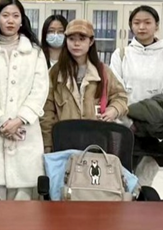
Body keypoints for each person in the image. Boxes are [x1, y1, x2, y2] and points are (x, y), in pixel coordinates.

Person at [0, 0, 48, 201]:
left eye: (15, 16)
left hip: (25, 134)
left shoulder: (34, 52)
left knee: (24, 206)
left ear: (22, 20)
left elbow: (40, 90)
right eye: (5, 15)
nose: (10, 20)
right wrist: (2, 121)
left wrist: (19, 120)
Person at [110, 5, 163, 186]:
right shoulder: (121, 54)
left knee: (144, 180)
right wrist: (129, 122)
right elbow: (116, 91)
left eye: (147, 22)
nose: (142, 27)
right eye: (137, 23)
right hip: (125, 126)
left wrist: (152, 123)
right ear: (130, 26)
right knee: (121, 177)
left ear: (156, 25)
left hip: (154, 129)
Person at [41, 19, 128, 152]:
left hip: (96, 141)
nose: (76, 44)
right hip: (64, 142)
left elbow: (121, 97)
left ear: (91, 41)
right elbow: (47, 112)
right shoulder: (55, 72)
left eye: (82, 39)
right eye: (71, 39)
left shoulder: (103, 71)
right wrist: (48, 144)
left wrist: (114, 109)